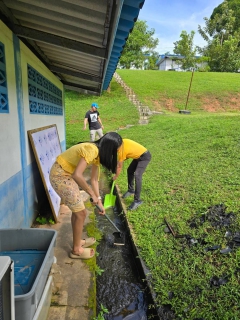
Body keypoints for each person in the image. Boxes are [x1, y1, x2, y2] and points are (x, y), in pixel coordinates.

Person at [49, 132, 122, 259]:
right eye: (115, 151)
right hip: (60, 176)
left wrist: (99, 201)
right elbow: (77, 174)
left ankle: (78, 242)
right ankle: (76, 250)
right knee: (81, 213)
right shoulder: (91, 150)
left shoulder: (96, 154)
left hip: (66, 175)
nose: (113, 155)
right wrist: (91, 193)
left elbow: (94, 180)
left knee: (78, 211)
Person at [113, 139, 151, 210]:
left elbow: (119, 166)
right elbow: (127, 155)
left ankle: (137, 200)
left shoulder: (121, 150)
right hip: (138, 157)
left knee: (137, 175)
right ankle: (131, 190)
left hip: (145, 157)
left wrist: (115, 176)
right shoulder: (122, 142)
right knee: (130, 170)